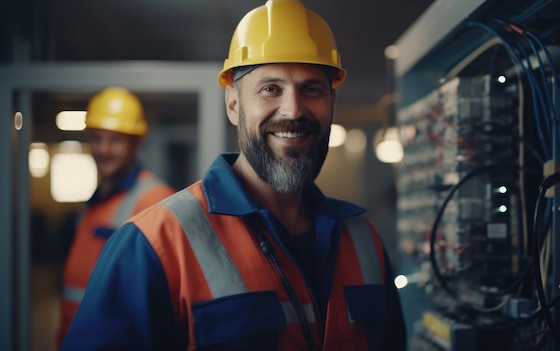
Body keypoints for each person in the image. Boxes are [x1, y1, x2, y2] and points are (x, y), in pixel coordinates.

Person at [61, 0, 406, 350]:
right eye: (270, 88)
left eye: (311, 89)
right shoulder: (153, 244)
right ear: (233, 104)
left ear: (331, 104)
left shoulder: (364, 240)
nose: (293, 109)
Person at [57, 86, 176, 345]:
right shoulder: (95, 201)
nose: (103, 149)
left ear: (136, 142)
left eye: (115, 140)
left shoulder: (154, 200)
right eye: (97, 138)